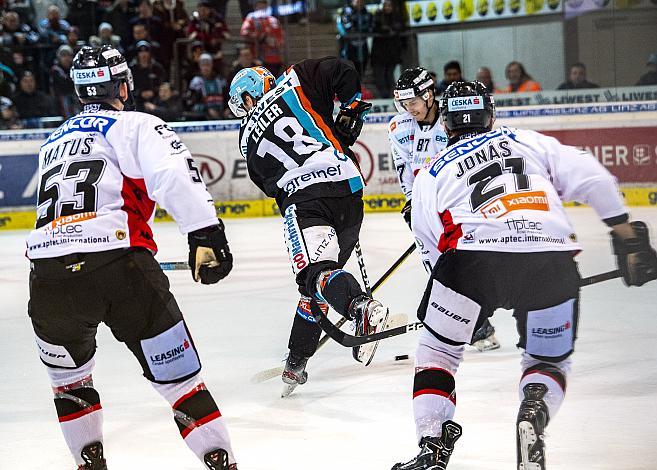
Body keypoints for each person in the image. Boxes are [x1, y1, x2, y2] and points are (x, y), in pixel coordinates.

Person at [391, 81, 657, 470]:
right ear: (492, 115)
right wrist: (627, 236)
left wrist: (454, 298)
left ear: (445, 125)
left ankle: (431, 446)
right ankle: (533, 410)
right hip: (550, 259)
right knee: (546, 363)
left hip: (469, 261)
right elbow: (595, 180)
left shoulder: (434, 168)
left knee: (438, 354)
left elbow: (428, 238)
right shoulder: (530, 142)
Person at [26, 45, 238, 470]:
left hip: (48, 280)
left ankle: (89, 462)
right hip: (121, 268)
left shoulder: (53, 141)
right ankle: (220, 462)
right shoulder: (135, 124)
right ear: (122, 85)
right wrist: (205, 232)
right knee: (183, 386)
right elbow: (174, 174)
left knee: (69, 383)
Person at [228, 59, 390, 396]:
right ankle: (297, 359)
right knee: (321, 281)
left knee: (314, 275)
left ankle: (361, 307)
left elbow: (268, 183)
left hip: (305, 200)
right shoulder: (296, 78)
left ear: (247, 98)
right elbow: (344, 70)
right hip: (348, 187)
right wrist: (351, 109)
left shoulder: (245, 136)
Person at [389, 67, 500, 352]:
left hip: (458, 199)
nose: (408, 108)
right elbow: (404, 169)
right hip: (425, 203)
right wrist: (412, 202)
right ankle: (475, 325)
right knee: (436, 265)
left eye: (412, 101)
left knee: (467, 257)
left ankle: (479, 312)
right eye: (403, 103)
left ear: (428, 95)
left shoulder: (452, 120)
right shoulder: (399, 127)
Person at [370, 0, 406, 98]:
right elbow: (376, 28)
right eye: (385, 5)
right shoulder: (377, 16)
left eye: (389, 5)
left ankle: (391, 96)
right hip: (379, 53)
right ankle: (384, 96)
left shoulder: (396, 16)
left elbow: (401, 27)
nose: (387, 8)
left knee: (389, 75)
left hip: (392, 52)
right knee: (380, 77)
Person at [239, 0, 284, 77]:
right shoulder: (251, 18)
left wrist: (275, 42)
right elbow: (244, 32)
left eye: (264, 5)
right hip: (258, 57)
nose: (262, 7)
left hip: (274, 58)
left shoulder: (273, 20)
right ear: (255, 6)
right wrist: (260, 37)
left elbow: (281, 38)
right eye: (259, 5)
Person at [337, 0, 373, 78]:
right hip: (348, 47)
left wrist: (362, 29)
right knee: (349, 71)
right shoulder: (346, 12)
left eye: (361, 1)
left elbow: (370, 27)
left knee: (361, 70)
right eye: (357, 1)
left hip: (362, 47)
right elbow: (347, 27)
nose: (359, 3)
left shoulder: (366, 12)